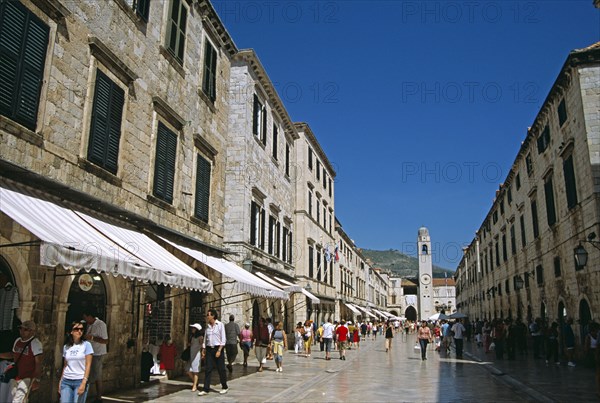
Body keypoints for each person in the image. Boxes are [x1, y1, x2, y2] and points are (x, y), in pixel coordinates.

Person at [0, 320, 43, 403]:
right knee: (18, 398)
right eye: (21, 328)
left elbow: (38, 363)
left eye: (25, 329)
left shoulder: (35, 343)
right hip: (16, 376)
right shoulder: (17, 341)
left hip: (28, 377)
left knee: (17, 399)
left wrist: (36, 380)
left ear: (32, 331)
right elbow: (13, 354)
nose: (22, 331)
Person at [59, 321, 93, 403]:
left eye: (81, 329)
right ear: (71, 331)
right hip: (66, 380)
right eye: (76, 329)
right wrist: (61, 381)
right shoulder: (66, 347)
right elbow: (65, 365)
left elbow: (88, 365)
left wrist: (84, 382)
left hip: (79, 380)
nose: (79, 331)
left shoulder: (87, 345)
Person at [198, 309, 228, 396]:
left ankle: (224, 386)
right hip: (209, 349)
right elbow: (205, 338)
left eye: (208, 315)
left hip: (218, 348)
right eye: (207, 314)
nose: (207, 316)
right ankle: (206, 388)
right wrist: (203, 349)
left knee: (221, 368)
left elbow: (223, 338)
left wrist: (219, 350)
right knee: (208, 369)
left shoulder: (220, 325)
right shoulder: (207, 326)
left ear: (213, 316)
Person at [82, 310, 108, 402]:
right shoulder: (89, 325)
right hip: (89, 353)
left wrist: (92, 338)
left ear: (90, 316)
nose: (84, 319)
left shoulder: (101, 325)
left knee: (96, 375)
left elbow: (105, 341)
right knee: (89, 374)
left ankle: (98, 396)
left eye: (85, 317)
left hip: (98, 353)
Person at [188, 323, 202, 391]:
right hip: (191, 354)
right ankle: (195, 382)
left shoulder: (200, 337)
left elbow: (201, 345)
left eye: (193, 328)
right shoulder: (192, 336)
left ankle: (194, 385)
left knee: (195, 370)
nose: (192, 329)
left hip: (196, 354)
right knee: (188, 370)